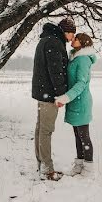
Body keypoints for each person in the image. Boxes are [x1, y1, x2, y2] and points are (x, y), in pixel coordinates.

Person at [32, 17, 76, 181]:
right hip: (49, 94)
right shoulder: (54, 43)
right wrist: (61, 95)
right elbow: (56, 72)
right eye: (72, 34)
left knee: (40, 128)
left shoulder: (47, 40)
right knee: (46, 130)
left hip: (43, 92)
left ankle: (41, 163)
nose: (72, 38)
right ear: (66, 31)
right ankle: (47, 169)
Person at [56, 32, 97, 177]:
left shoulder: (84, 59)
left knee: (84, 136)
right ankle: (79, 165)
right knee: (77, 135)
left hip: (81, 102)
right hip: (74, 102)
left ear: (84, 43)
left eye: (77, 39)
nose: (73, 40)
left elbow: (81, 83)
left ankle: (89, 168)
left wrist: (65, 97)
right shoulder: (74, 58)